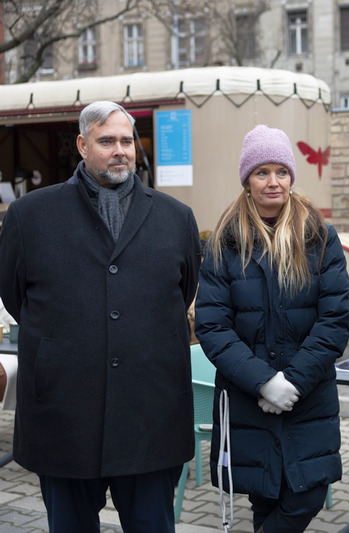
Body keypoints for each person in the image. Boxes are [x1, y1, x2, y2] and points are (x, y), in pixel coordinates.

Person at [0, 101, 201, 532]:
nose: (120, 151)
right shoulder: (29, 217)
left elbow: (183, 292)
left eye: (127, 141)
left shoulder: (176, 218)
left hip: (151, 418)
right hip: (65, 417)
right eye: (106, 141)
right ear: (82, 145)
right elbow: (17, 299)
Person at [194, 125, 349, 532]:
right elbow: (212, 325)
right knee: (265, 495)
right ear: (247, 179)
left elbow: (335, 318)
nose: (273, 182)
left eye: (281, 171)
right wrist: (263, 382)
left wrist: (292, 382)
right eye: (262, 172)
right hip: (248, 397)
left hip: (308, 394)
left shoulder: (318, 235)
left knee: (306, 493)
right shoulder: (225, 242)